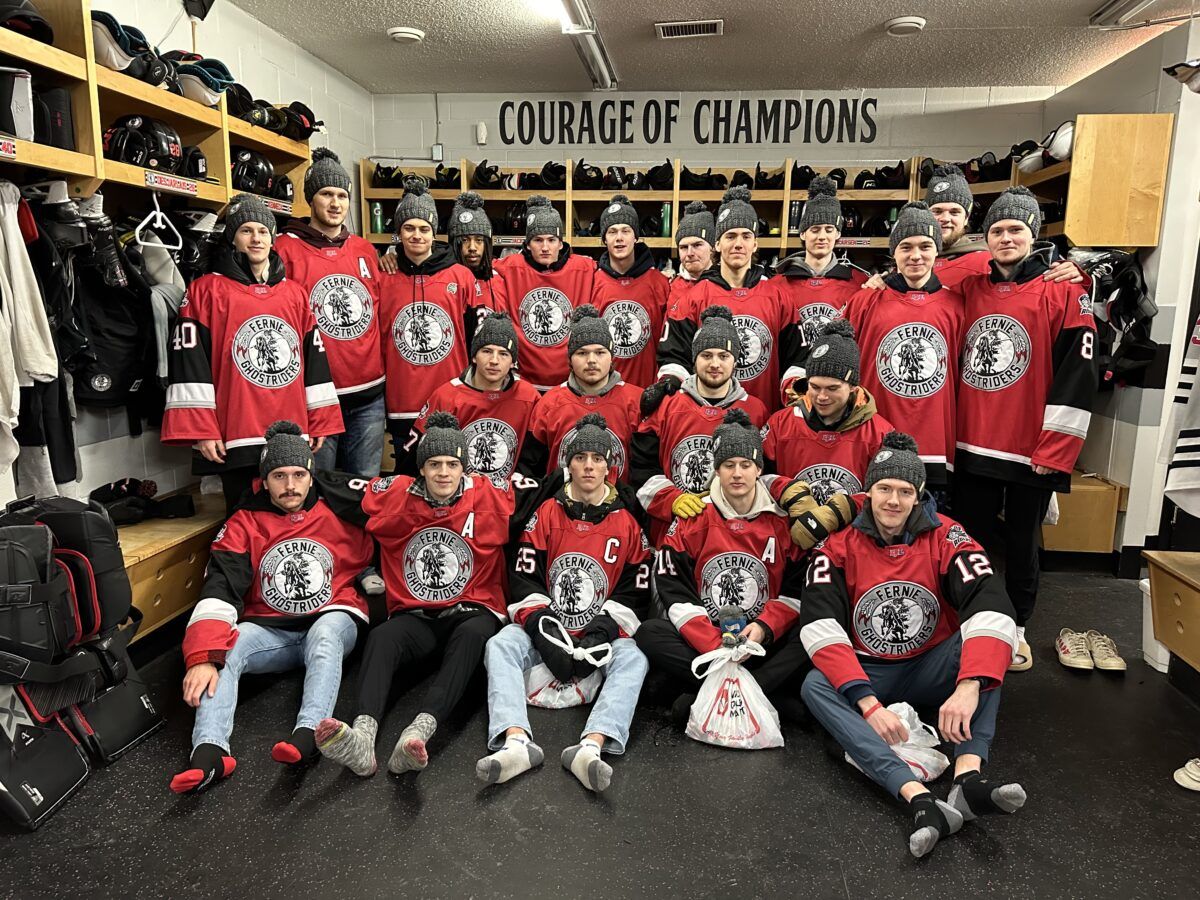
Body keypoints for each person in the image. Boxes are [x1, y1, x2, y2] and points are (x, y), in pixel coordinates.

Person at [799, 431, 1025, 858]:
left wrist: (969, 684)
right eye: (884, 489)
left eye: (905, 491)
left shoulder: (948, 536)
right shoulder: (836, 547)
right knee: (815, 684)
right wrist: (868, 704)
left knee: (986, 646)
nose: (893, 501)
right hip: (871, 672)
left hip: (929, 664)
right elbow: (820, 626)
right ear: (867, 494)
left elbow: (991, 604)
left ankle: (967, 779)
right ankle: (916, 795)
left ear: (919, 495)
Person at [316, 413, 545, 777]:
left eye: (452, 464)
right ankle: (362, 737)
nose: (443, 472)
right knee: (381, 637)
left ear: (463, 468)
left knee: (473, 636)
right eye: (434, 464)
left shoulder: (490, 495)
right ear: (421, 468)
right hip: (414, 616)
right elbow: (332, 483)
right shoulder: (392, 495)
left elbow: (548, 487)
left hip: (472, 610)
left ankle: (419, 732)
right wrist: (292, 466)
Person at [169, 421, 373, 794]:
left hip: (332, 619)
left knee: (325, 635)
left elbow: (405, 502)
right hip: (273, 631)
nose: (290, 485)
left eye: (299, 474)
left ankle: (310, 734)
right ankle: (211, 751)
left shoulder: (342, 507)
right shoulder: (243, 523)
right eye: (279, 476)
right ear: (264, 480)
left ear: (312, 476)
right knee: (228, 646)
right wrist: (201, 656)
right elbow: (220, 588)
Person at [955, 187, 1098, 671]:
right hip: (971, 444)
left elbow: (1079, 377)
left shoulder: (1063, 291)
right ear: (986, 237)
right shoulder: (972, 286)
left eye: (1016, 229)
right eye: (997, 230)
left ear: (1034, 235)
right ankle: (973, 621)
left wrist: (1056, 449)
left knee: (1021, 544)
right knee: (970, 541)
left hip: (1026, 449)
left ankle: (1015, 628)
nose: (1006, 237)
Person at [478, 414, 651, 792]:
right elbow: (525, 580)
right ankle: (515, 742)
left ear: (610, 467)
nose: (588, 466)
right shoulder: (545, 513)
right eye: (580, 458)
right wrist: (548, 636)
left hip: (595, 638)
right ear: (567, 464)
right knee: (501, 643)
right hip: (551, 632)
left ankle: (591, 746)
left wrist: (599, 634)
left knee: (634, 658)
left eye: (597, 459)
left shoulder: (627, 523)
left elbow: (634, 591)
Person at [162, 194, 342, 513]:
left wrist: (321, 419)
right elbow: (190, 364)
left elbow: (315, 360)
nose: (256, 238)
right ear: (232, 237)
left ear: (273, 239)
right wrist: (202, 429)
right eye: (246, 230)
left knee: (295, 521)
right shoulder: (205, 291)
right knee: (245, 523)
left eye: (263, 230)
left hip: (291, 430)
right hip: (237, 430)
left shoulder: (294, 294)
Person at [635, 409, 809, 719]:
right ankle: (761, 694)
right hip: (710, 643)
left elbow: (795, 591)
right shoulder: (695, 517)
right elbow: (673, 588)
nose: (737, 474)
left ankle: (715, 692)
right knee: (650, 632)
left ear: (759, 470)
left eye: (746, 465)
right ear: (717, 470)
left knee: (806, 636)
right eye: (728, 465)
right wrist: (713, 643)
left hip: (760, 642)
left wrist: (764, 629)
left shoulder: (783, 521)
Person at [274, 149, 386, 477]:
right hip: (316, 395)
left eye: (342, 195)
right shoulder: (284, 249)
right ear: (311, 198)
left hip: (368, 394)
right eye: (326, 194)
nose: (335, 203)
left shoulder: (365, 250)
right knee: (318, 488)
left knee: (365, 490)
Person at [841, 202, 964, 492]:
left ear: (937, 250)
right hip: (876, 439)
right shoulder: (865, 300)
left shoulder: (957, 305)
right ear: (893, 251)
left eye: (925, 246)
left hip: (935, 444)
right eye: (906, 247)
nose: (916, 256)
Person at [632, 305, 768, 542]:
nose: (715, 364)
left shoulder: (755, 411)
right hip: (670, 533)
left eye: (723, 356)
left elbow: (763, 476)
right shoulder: (667, 405)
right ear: (694, 360)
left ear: (736, 361)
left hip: (730, 537)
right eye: (706, 355)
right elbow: (641, 468)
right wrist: (671, 498)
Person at [656, 186, 794, 414]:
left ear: (755, 243)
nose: (738, 244)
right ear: (717, 244)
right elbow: (674, 354)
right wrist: (669, 384)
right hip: (707, 416)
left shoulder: (778, 295)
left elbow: (795, 357)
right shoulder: (695, 296)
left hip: (763, 414)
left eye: (746, 236)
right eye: (730, 236)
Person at [863, 163, 1087, 291]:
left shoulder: (986, 259)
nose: (945, 219)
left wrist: (1063, 268)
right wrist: (879, 282)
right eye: (937, 211)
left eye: (955, 212)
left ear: (967, 217)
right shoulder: (908, 262)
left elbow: (1030, 277)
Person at [379, 178, 482, 454]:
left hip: (450, 399)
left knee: (449, 476)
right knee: (407, 481)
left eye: (424, 228)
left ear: (434, 232)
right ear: (398, 232)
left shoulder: (460, 277)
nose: (416, 235)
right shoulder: (384, 276)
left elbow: (478, 337)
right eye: (408, 227)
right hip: (402, 402)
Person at [400, 312, 540, 488]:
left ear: (513, 362)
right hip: (455, 497)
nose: (494, 361)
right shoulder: (446, 396)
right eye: (487, 351)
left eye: (503, 354)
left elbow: (534, 459)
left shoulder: (528, 397)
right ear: (474, 356)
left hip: (506, 499)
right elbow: (412, 458)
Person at [762, 320, 892, 503]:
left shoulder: (879, 433)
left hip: (853, 531)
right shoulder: (780, 425)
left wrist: (849, 509)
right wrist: (782, 488)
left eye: (832, 389)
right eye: (815, 387)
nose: (822, 396)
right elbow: (753, 479)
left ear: (853, 388)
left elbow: (890, 499)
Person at [518, 305, 641, 482]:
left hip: (619, 506)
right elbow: (530, 469)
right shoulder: (549, 404)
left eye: (600, 352)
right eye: (582, 353)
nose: (591, 360)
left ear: (612, 356)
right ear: (570, 359)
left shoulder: (635, 401)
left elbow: (644, 471)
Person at [494, 195, 596, 391]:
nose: (545, 247)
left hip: (571, 382)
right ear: (527, 244)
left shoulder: (585, 268)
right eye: (538, 240)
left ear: (561, 242)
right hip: (523, 381)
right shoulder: (508, 268)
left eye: (552, 240)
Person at [774, 175, 868, 388]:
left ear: (838, 233)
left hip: (836, 389)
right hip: (789, 385)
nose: (822, 236)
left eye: (829, 229)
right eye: (815, 230)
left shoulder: (859, 284)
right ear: (803, 234)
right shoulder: (777, 285)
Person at [590, 194, 669, 388]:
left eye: (626, 231)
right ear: (604, 239)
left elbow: (665, 346)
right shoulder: (592, 281)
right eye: (612, 231)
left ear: (636, 236)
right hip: (603, 392)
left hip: (646, 390)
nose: (619, 238)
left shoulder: (659, 283)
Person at [667, 200, 716, 319]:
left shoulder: (726, 286)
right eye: (683, 247)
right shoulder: (670, 288)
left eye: (697, 245)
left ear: (713, 247)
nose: (689, 253)